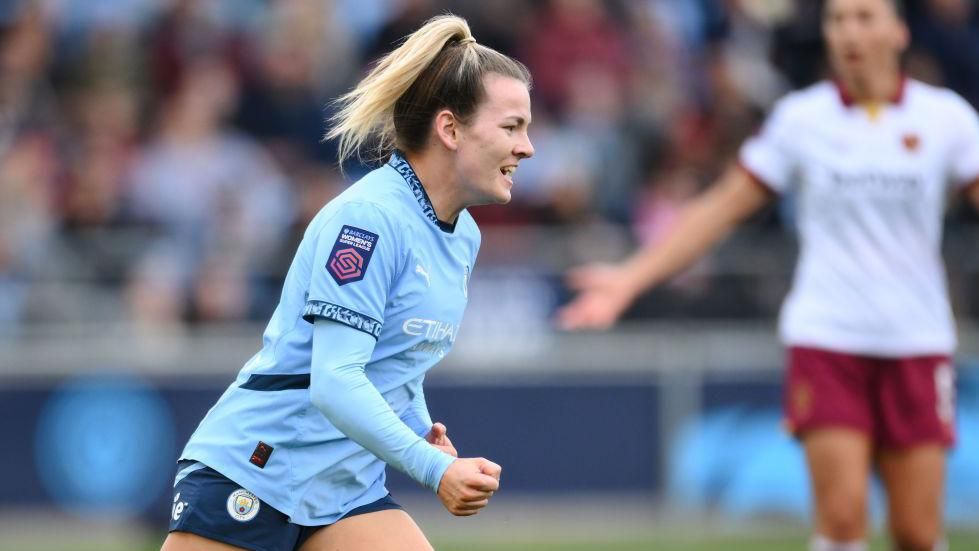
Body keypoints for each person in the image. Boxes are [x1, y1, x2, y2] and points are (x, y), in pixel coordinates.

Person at [558, 1, 979, 550]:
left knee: (918, 532)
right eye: (838, 19)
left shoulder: (946, 118)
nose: (850, 31)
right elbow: (722, 206)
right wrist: (629, 278)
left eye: (865, 16)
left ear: (898, 29)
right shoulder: (802, 119)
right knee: (843, 518)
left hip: (918, 340)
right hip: (828, 338)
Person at [161, 14, 534, 551]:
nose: (527, 147)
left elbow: (395, 364)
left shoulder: (462, 235)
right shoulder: (367, 220)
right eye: (511, 127)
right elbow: (335, 378)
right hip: (255, 472)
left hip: (343, 491)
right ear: (450, 129)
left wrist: (419, 428)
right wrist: (431, 469)